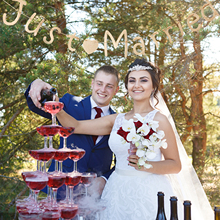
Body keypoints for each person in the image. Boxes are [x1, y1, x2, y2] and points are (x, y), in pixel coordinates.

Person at [55, 58, 214, 220]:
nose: (137, 85)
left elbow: (175, 164)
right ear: (126, 86)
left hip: (149, 192)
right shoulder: (115, 119)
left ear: (153, 86)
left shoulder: (160, 120)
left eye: (143, 80)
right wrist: (56, 106)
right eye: (132, 80)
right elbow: (75, 125)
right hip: (116, 192)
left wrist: (145, 165)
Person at [24, 65, 120, 200]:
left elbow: (123, 161)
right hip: (61, 187)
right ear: (92, 84)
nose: (103, 89)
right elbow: (36, 105)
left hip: (96, 194)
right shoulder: (70, 103)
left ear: (116, 90)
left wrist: (105, 179)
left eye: (109, 86)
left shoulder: (119, 121)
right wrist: (36, 83)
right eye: (99, 83)